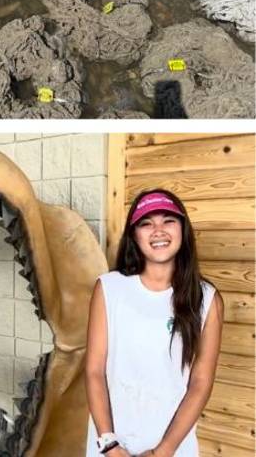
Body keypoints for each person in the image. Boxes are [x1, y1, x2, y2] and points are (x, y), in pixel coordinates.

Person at [85, 189, 223, 456]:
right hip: (110, 443)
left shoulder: (207, 300)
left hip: (172, 446)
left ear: (183, 229)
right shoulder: (109, 289)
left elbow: (200, 383)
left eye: (168, 220)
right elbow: (94, 371)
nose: (158, 230)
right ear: (134, 235)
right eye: (146, 223)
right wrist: (110, 444)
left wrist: (163, 451)